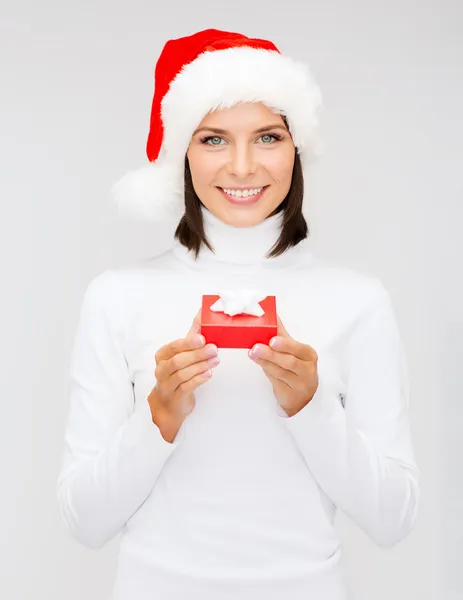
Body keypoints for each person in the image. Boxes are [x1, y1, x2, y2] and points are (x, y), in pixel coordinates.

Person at [56, 28, 420, 600]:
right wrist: (158, 417)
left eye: (268, 136)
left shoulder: (358, 301)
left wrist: (311, 407)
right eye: (214, 139)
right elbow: (84, 520)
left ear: (297, 145)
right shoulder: (117, 296)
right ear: (181, 150)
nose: (244, 167)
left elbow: (393, 518)